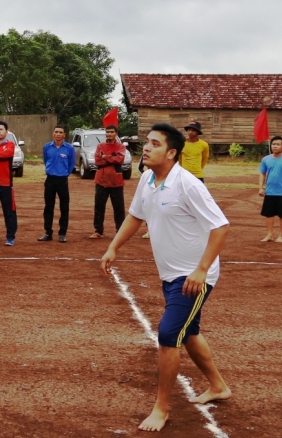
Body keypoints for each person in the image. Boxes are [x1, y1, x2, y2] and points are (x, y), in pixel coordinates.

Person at [100, 123, 231, 432]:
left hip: (194, 277)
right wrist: (113, 247)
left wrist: (200, 270)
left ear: (171, 153)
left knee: (169, 334)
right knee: (189, 332)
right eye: (146, 142)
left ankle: (162, 408)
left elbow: (221, 226)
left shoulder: (188, 185)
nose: (146, 147)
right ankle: (217, 386)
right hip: (171, 273)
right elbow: (135, 215)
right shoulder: (147, 178)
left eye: (155, 144)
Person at [90, 125, 127, 239]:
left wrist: (105, 157)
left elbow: (120, 160)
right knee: (99, 206)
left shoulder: (120, 146)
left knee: (119, 208)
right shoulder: (100, 146)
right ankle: (98, 231)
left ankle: (120, 231)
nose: (109, 134)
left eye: (111, 132)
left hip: (116, 181)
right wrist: (112, 158)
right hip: (101, 180)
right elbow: (97, 161)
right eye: (108, 132)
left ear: (116, 133)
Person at [40, 126, 75, 243]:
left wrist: (64, 173)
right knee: (48, 207)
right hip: (50, 180)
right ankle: (48, 232)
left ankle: (62, 233)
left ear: (64, 134)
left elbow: (71, 164)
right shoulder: (47, 147)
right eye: (56, 132)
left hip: (62, 180)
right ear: (53, 133)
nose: (58, 134)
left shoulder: (69, 148)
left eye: (61, 132)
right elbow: (45, 160)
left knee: (64, 207)